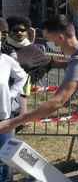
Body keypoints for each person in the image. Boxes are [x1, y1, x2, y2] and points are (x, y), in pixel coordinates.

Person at [0, 15, 78, 182]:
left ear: (60, 37)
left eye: (49, 39)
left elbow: (57, 102)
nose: (49, 44)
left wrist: (11, 123)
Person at [1, 15, 66, 116]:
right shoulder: (4, 47)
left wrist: (70, 63)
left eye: (22, 30)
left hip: (19, 90)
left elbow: (47, 62)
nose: (19, 33)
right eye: (16, 30)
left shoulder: (32, 48)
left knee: (19, 119)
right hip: (3, 88)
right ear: (9, 31)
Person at [0, 22, 27, 181]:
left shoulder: (7, 61)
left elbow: (22, 77)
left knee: (2, 162)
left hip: (3, 119)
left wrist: (11, 94)